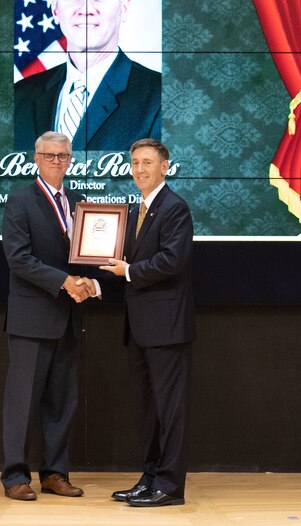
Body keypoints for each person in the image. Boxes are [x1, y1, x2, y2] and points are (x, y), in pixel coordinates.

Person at [0, 131, 97, 501]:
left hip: (69, 316)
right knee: (22, 402)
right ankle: (15, 478)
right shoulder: (20, 201)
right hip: (31, 318)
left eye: (64, 156)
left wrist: (89, 279)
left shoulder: (79, 201)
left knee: (62, 402)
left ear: (70, 160)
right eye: (50, 156)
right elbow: (18, 259)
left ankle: (55, 473)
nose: (58, 161)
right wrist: (64, 281)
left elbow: (86, 254)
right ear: (36, 159)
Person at [100, 138, 195, 507]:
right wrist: (96, 276)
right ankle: (150, 477)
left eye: (147, 163)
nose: (139, 169)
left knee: (170, 410)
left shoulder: (175, 208)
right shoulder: (136, 209)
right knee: (149, 410)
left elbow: (172, 261)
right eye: (135, 163)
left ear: (164, 166)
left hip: (167, 327)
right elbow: (121, 261)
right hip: (141, 328)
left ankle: (169, 487)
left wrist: (128, 271)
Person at [13, 0, 161, 152]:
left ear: (124, 8)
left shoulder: (159, 98)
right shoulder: (19, 96)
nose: (85, 9)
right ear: (56, 10)